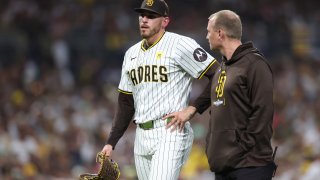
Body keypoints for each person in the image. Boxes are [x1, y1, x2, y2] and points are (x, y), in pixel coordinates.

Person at [100, 0, 219, 179]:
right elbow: (126, 102)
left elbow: (218, 74)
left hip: (171, 131)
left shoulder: (180, 44)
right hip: (141, 135)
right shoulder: (131, 54)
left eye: (151, 16)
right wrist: (111, 143)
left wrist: (193, 109)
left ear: (165, 21)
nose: (144, 20)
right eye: (142, 15)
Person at [163, 10, 277, 179]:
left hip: (250, 165)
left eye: (209, 31)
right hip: (225, 165)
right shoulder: (224, 67)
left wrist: (241, 147)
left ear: (220, 33)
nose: (207, 36)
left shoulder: (254, 64)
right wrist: (192, 109)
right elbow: (213, 91)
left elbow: (263, 112)